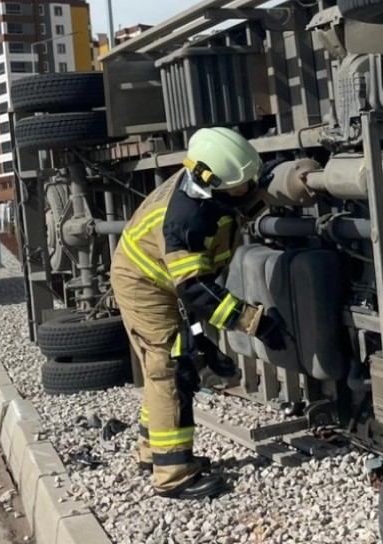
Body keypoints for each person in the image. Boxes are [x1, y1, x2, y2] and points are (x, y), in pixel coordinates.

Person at [110, 127, 290, 500]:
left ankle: (151, 453)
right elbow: (194, 289)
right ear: (211, 181)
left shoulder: (211, 182)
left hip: (162, 279)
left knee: (174, 361)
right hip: (143, 283)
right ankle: (173, 474)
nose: (250, 188)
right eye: (242, 185)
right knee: (170, 369)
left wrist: (198, 337)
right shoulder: (186, 222)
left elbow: (192, 291)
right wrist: (256, 323)